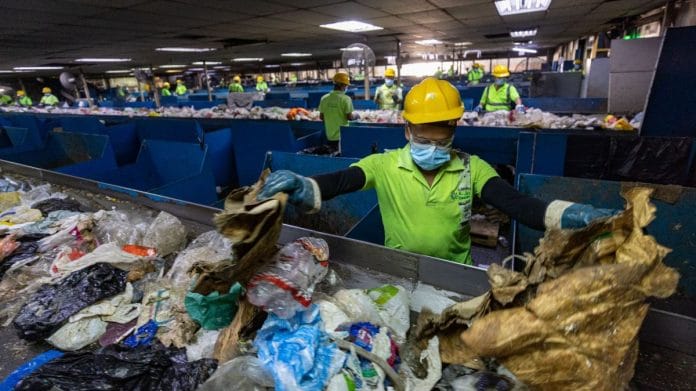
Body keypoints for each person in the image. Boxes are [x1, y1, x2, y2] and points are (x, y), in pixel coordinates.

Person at [257, 78, 615, 265]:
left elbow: (518, 204)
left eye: (441, 136)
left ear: (454, 130)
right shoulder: (384, 164)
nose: (431, 145)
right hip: (397, 267)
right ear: (407, 130)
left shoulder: (471, 169)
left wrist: (571, 215)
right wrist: (305, 185)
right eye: (422, 135)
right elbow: (342, 180)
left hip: (456, 272)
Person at [318, 72, 358, 151]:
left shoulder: (324, 98)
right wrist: (356, 115)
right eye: (346, 85)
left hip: (329, 135)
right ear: (343, 85)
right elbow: (349, 117)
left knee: (333, 154)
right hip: (342, 135)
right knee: (342, 154)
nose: (346, 87)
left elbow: (321, 117)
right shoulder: (346, 99)